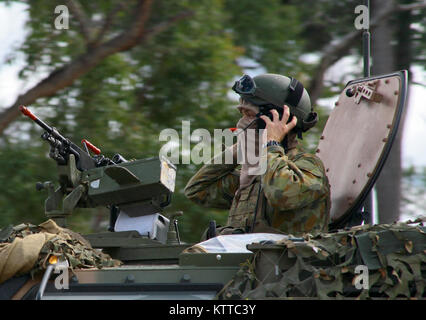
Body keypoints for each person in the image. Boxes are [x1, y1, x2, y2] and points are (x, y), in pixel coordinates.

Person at [184, 73, 330, 237]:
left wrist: (271, 143)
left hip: (282, 262)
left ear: (278, 119)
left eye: (249, 114)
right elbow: (197, 190)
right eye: (242, 114)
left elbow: (281, 194)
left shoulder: (307, 167)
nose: (240, 123)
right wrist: (239, 150)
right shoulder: (253, 173)